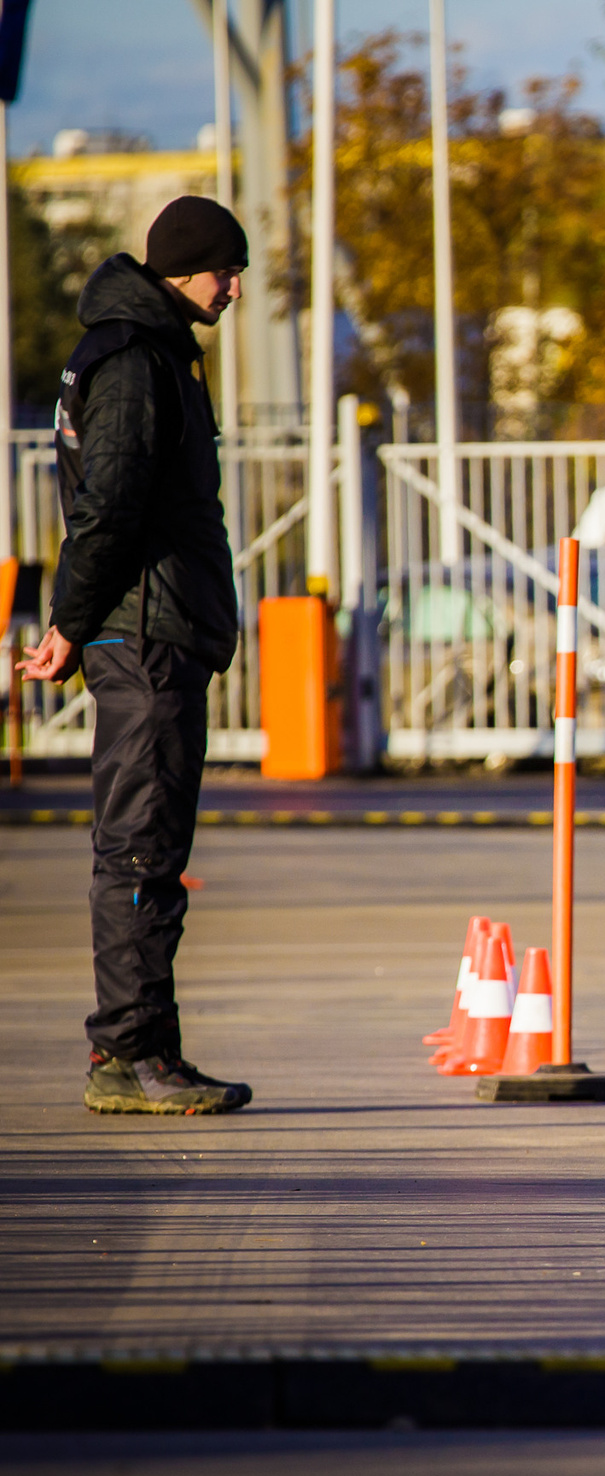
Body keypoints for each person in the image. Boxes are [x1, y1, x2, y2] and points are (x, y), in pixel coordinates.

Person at [16, 196, 253, 1115]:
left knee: (150, 850)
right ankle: (128, 1055)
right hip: (141, 631)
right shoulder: (135, 362)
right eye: (223, 270)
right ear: (182, 269)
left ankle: (148, 1046)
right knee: (139, 852)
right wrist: (71, 621)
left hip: (152, 624)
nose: (232, 287)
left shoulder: (144, 350)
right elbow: (108, 506)